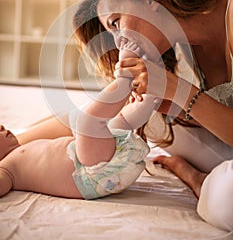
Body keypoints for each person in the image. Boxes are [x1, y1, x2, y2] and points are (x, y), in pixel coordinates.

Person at [3, 0, 232, 230]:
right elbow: (95, 120)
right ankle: (12, 147)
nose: (117, 40)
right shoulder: (184, 46)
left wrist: (178, 89)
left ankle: (198, 179)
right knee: (121, 117)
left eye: (115, 23)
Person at [0, 41, 155, 200]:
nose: (2, 126)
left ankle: (149, 100)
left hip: (102, 169)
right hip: (89, 174)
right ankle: (126, 76)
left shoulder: (18, 152)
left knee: (118, 123)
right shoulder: (6, 169)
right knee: (86, 122)